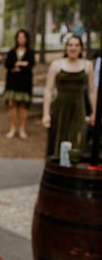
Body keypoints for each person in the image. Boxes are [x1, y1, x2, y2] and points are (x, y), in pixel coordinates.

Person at [45, 34, 92, 163]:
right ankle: (56, 169)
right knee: (57, 139)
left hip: (78, 107)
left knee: (77, 139)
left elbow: (93, 91)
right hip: (59, 108)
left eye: (76, 45)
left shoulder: (87, 65)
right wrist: (46, 114)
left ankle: (73, 169)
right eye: (70, 45)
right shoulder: (56, 65)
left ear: (81, 48)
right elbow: (48, 90)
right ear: (66, 48)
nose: (73, 48)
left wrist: (93, 113)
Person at [2, 29, 33, 142]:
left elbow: (30, 64)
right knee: (11, 105)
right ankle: (12, 128)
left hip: (24, 83)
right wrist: (19, 64)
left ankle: (22, 129)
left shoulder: (30, 52)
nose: (21, 39)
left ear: (26, 39)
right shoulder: (11, 51)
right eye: (19, 37)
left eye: (23, 37)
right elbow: (7, 64)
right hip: (12, 83)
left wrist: (17, 65)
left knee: (23, 106)